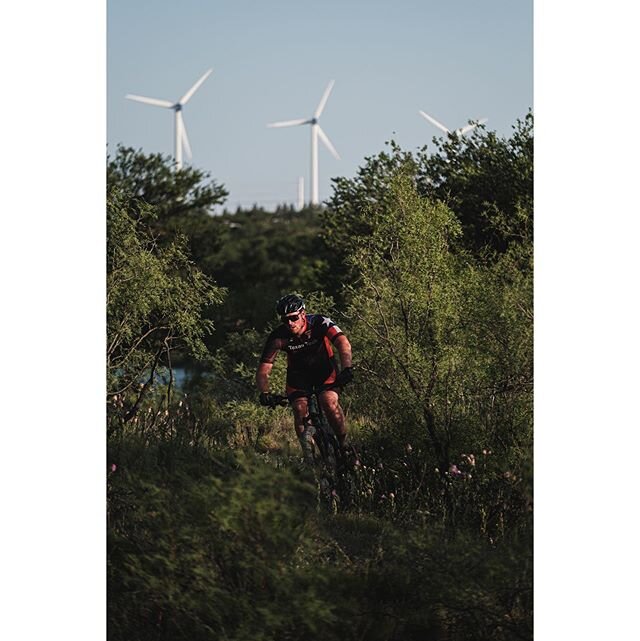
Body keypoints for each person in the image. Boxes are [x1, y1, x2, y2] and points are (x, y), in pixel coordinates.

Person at [256, 293, 353, 459]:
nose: (290, 323)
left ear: (302, 313)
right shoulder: (278, 336)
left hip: (325, 371)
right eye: (285, 320)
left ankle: (344, 446)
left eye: (293, 318)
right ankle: (310, 459)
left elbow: (343, 343)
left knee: (328, 401)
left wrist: (347, 368)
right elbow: (263, 370)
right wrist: (265, 393)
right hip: (298, 376)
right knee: (299, 409)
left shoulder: (320, 322)